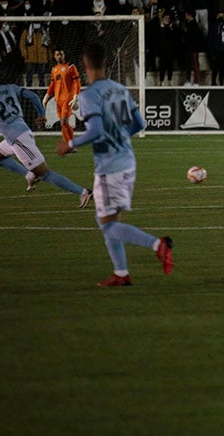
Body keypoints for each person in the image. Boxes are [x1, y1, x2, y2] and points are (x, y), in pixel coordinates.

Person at [55, 42, 174, 288]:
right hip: (127, 161)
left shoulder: (89, 95)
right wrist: (119, 137)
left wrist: (70, 143)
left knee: (108, 225)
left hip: (110, 167)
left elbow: (96, 131)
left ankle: (157, 245)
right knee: (110, 222)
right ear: (106, 63)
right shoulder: (120, 89)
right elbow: (139, 123)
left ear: (85, 66)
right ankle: (121, 273)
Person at [0, 66, 91, 205]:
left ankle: (83, 192)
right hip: (20, 133)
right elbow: (33, 95)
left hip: (18, 140)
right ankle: (29, 174)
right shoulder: (10, 88)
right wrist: (41, 113)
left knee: (45, 173)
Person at [43, 47, 82, 146]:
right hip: (58, 99)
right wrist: (47, 96)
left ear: (64, 55)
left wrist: (75, 96)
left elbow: (77, 82)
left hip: (68, 99)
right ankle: (69, 144)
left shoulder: (70, 67)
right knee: (63, 123)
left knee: (64, 121)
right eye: (57, 55)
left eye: (61, 54)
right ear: (54, 56)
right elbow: (53, 84)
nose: (59, 56)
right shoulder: (54, 69)